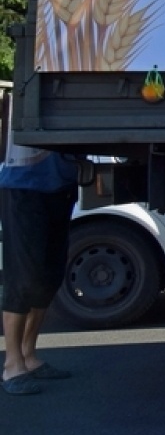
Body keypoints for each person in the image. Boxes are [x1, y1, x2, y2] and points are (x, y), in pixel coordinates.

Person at [1, 146, 80, 396]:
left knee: (50, 276)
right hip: (22, 186)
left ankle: (28, 355)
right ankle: (12, 366)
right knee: (23, 276)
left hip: (61, 186)